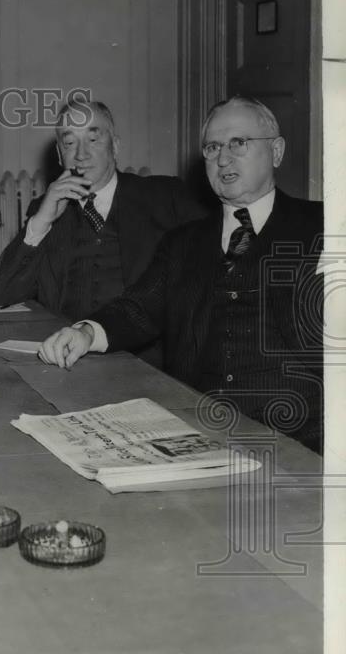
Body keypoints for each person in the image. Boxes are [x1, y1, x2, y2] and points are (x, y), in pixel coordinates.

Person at [38, 96, 323, 452]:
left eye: (239, 143)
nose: (223, 158)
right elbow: (138, 308)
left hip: (304, 440)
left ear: (277, 151)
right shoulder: (183, 242)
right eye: (213, 147)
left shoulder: (324, 227)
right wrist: (85, 332)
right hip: (198, 430)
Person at [0, 99, 207, 326]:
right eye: (70, 143)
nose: (81, 154)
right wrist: (42, 221)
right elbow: (2, 293)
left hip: (139, 356)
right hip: (64, 347)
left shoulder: (165, 196)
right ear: (59, 154)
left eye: (93, 140)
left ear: (115, 145)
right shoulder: (44, 208)